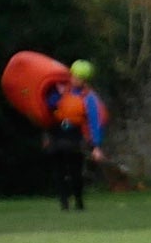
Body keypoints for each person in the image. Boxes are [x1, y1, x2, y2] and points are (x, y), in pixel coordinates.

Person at [39, 59, 106, 211]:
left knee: (75, 171)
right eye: (74, 76)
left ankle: (78, 200)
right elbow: (48, 107)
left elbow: (94, 123)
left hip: (74, 136)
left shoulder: (89, 98)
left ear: (85, 80)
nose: (75, 79)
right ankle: (64, 203)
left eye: (79, 77)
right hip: (56, 132)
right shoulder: (60, 91)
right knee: (59, 171)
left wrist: (96, 146)